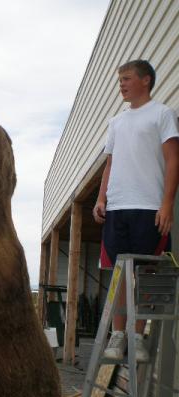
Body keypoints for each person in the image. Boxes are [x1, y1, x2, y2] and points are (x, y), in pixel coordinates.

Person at [93, 59, 179, 362]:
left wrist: (167, 203)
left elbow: (172, 160)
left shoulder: (163, 114)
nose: (122, 85)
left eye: (127, 79)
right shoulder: (116, 122)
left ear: (145, 80)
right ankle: (117, 336)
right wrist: (101, 198)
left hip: (149, 207)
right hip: (117, 208)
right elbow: (110, 164)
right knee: (119, 274)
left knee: (145, 274)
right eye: (120, 80)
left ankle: (137, 336)